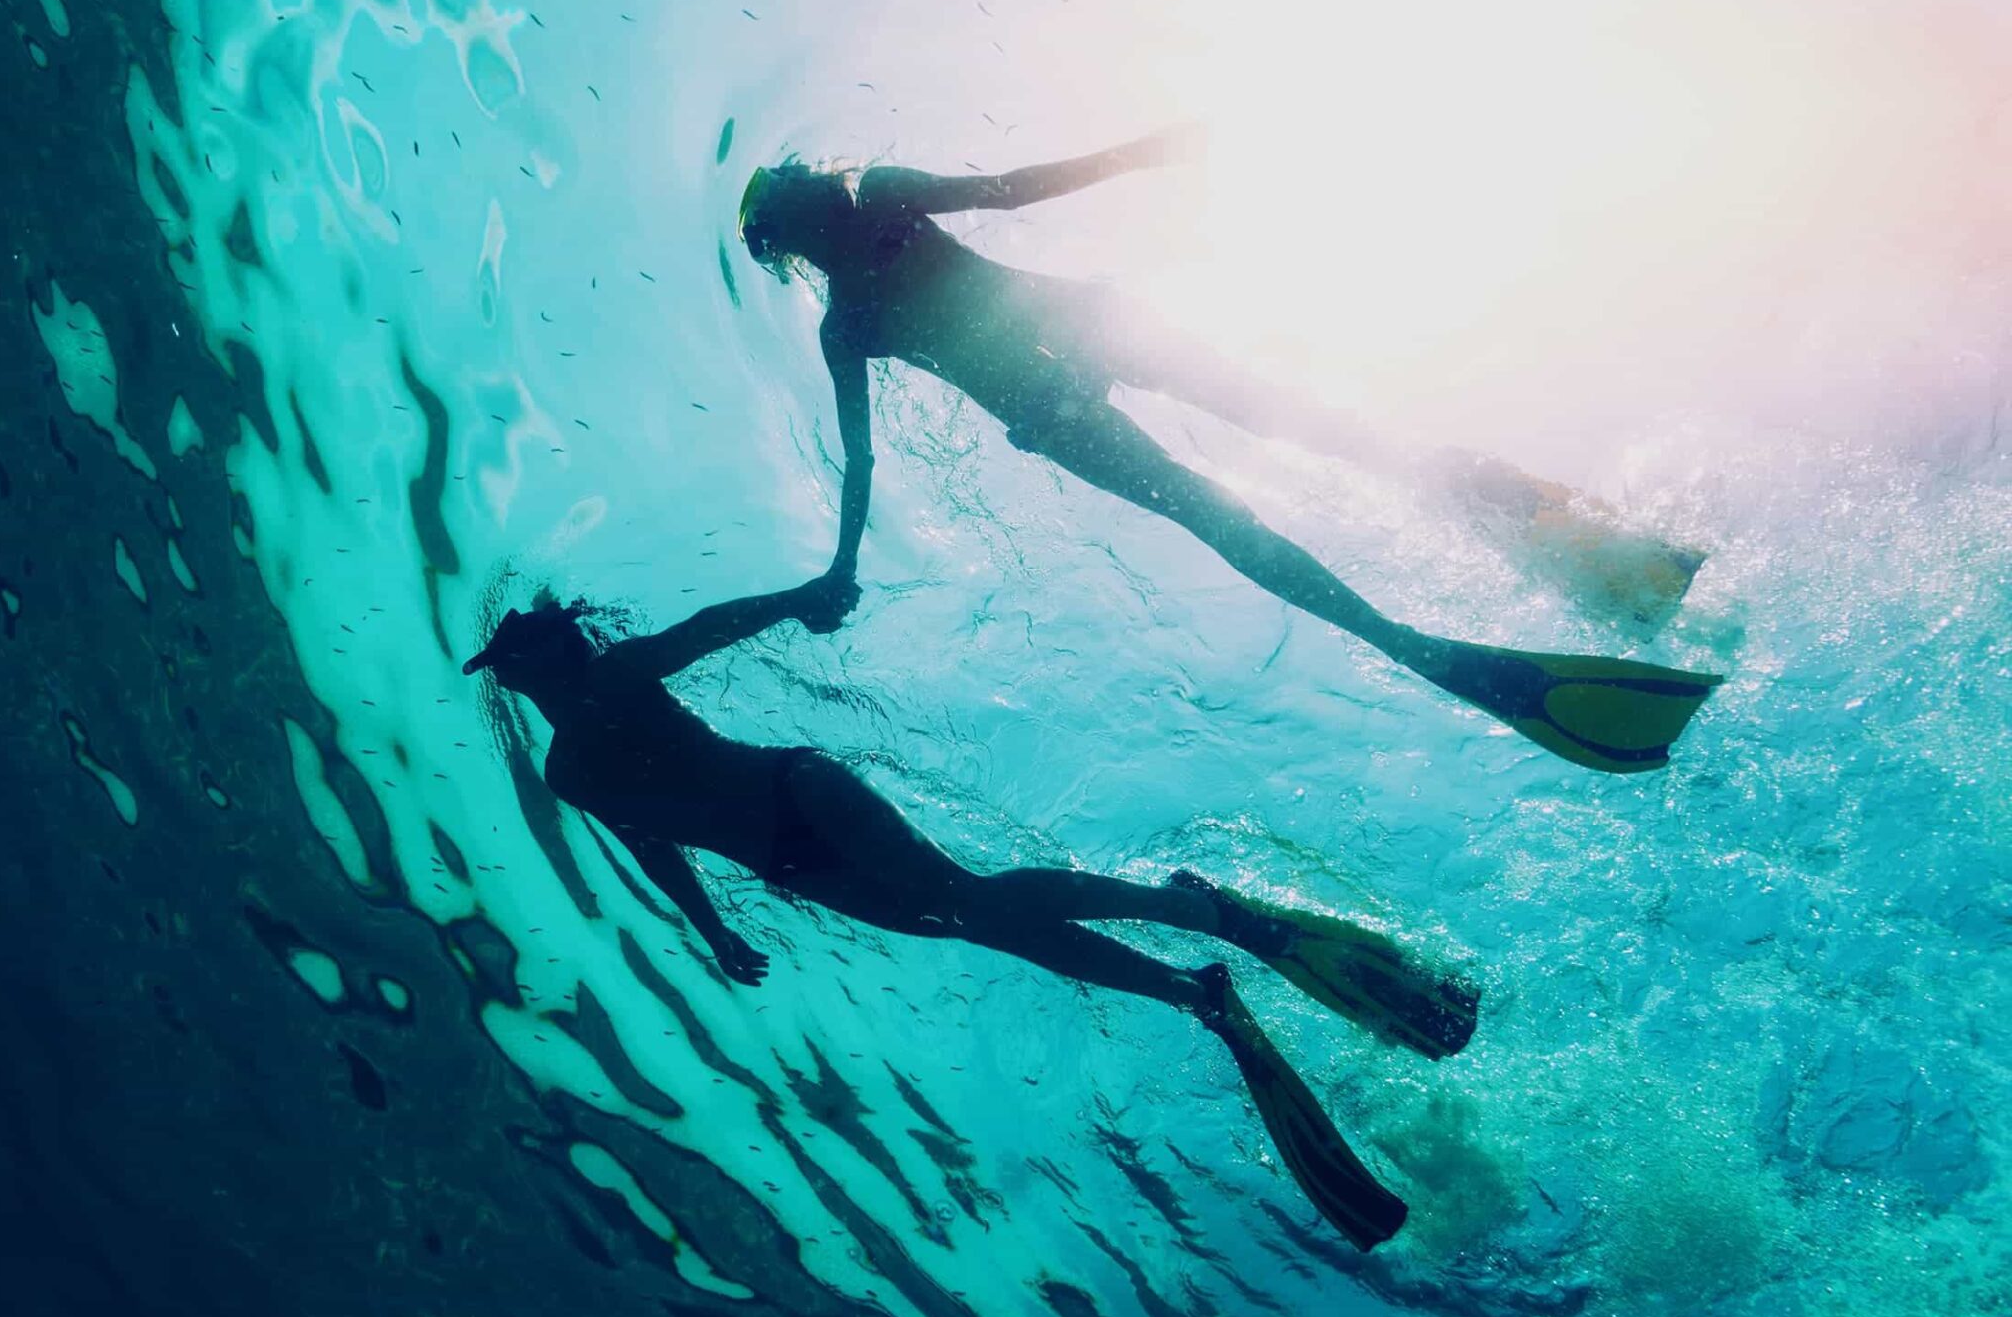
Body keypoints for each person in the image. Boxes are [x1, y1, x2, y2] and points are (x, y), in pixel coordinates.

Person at [466, 579, 1487, 1250]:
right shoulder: (569, 771)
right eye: (508, 664)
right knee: (973, 921)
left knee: (965, 898)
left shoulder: (615, 677)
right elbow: (657, 843)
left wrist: (800, 598)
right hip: (785, 858)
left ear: (550, 651)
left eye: (518, 655)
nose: (514, 671)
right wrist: (713, 930)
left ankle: (1193, 912)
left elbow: (703, 630)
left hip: (801, 796)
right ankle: (1195, 990)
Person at [736, 137, 1720, 775]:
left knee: (1292, 431)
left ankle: (1492, 523)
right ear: (794, 237)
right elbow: (859, 462)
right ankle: (1408, 643)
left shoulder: (884, 213)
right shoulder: (847, 322)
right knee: (1226, 504)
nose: (816, 208)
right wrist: (841, 564)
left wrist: (1139, 152)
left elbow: (1012, 188)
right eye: (797, 209)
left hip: (1076, 341)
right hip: (1054, 388)